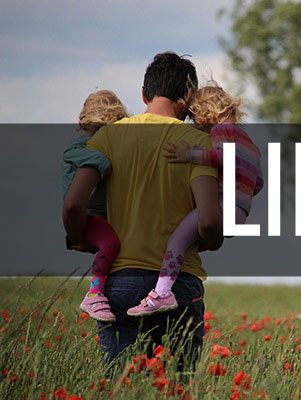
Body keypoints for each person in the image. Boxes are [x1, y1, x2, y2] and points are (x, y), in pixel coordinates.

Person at [63, 52, 223, 370]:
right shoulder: (197, 144)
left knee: (122, 385)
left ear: (143, 94)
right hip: (179, 284)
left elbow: (73, 203)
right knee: (178, 387)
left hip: (119, 282)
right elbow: (209, 220)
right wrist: (211, 240)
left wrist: (80, 237)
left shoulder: (108, 137)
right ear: (188, 97)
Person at [127, 83, 263, 317]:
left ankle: (162, 293)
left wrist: (188, 155)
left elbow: (222, 156)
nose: (195, 123)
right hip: (240, 213)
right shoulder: (251, 144)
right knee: (191, 240)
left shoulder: (221, 131)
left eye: (195, 116)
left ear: (209, 111)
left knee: (176, 241)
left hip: (222, 206)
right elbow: (258, 183)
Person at [62, 90, 128, 322]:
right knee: (110, 243)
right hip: (89, 215)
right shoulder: (81, 146)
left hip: (102, 215)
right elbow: (76, 156)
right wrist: (103, 162)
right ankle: (94, 293)